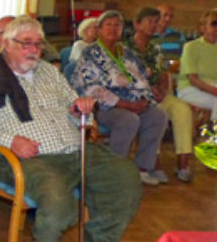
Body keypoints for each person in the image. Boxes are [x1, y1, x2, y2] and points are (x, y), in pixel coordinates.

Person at [0, 16, 142, 242]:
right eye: (26, 43)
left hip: (74, 148)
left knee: (125, 179)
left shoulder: (48, 72)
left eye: (37, 44)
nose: (33, 49)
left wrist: (81, 110)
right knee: (58, 198)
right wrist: (10, 140)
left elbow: (77, 109)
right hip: (25, 157)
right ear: (7, 45)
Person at [71, 10, 168, 185]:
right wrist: (123, 104)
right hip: (102, 106)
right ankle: (114, 169)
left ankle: (142, 167)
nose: (113, 28)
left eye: (117, 25)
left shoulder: (127, 53)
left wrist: (144, 100)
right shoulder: (90, 53)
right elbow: (90, 87)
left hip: (132, 102)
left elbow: (142, 79)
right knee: (128, 120)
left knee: (157, 116)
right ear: (99, 29)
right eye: (108, 24)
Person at [128, 7, 193, 182]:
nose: (154, 26)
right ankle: (152, 163)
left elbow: (164, 73)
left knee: (182, 109)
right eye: (150, 21)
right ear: (137, 24)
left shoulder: (155, 49)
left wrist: (163, 90)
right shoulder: (126, 48)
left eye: (156, 22)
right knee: (157, 114)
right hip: (138, 97)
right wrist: (150, 91)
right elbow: (127, 79)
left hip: (159, 94)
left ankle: (183, 162)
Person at [177, 8, 217, 122]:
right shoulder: (191, 47)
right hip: (190, 89)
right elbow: (193, 79)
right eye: (214, 24)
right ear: (203, 27)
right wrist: (214, 91)